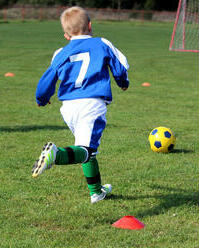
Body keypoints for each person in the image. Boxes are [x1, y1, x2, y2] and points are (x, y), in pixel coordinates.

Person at [32, 6, 129, 204]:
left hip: (68, 107)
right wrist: (123, 83)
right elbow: (119, 67)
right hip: (91, 103)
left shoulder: (60, 52)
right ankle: (55, 155)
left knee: (86, 148)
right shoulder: (101, 42)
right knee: (87, 150)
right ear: (90, 26)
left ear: (66, 35)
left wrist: (42, 98)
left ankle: (97, 192)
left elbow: (47, 78)